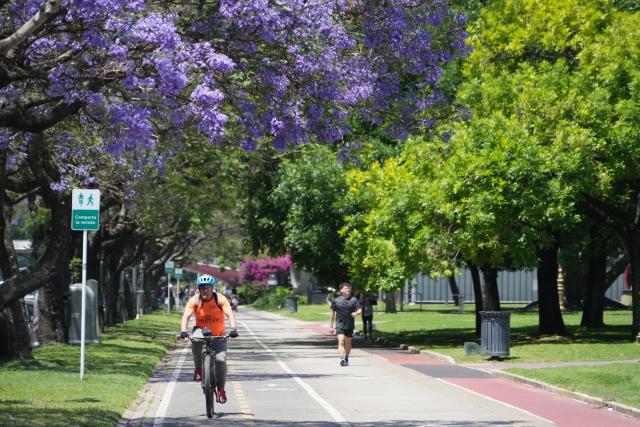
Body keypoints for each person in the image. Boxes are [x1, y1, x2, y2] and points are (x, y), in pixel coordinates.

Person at [180, 274, 238, 404]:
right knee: (194, 340)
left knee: (220, 360)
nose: (205, 290)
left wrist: (233, 329)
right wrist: (183, 331)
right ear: (198, 289)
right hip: (201, 331)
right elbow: (186, 316)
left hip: (219, 334)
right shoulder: (194, 301)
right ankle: (199, 369)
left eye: (208, 287)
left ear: (213, 288)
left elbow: (229, 314)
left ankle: (221, 390)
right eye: (202, 288)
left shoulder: (220, 299)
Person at [329, 282, 361, 366]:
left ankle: (346, 356)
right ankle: (342, 359)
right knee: (341, 341)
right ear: (341, 290)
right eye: (346, 288)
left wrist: (356, 313)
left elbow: (359, 310)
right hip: (339, 324)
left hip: (349, 324)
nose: (348, 289)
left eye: (349, 288)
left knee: (348, 342)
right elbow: (332, 314)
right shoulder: (336, 301)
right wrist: (331, 327)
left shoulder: (354, 300)